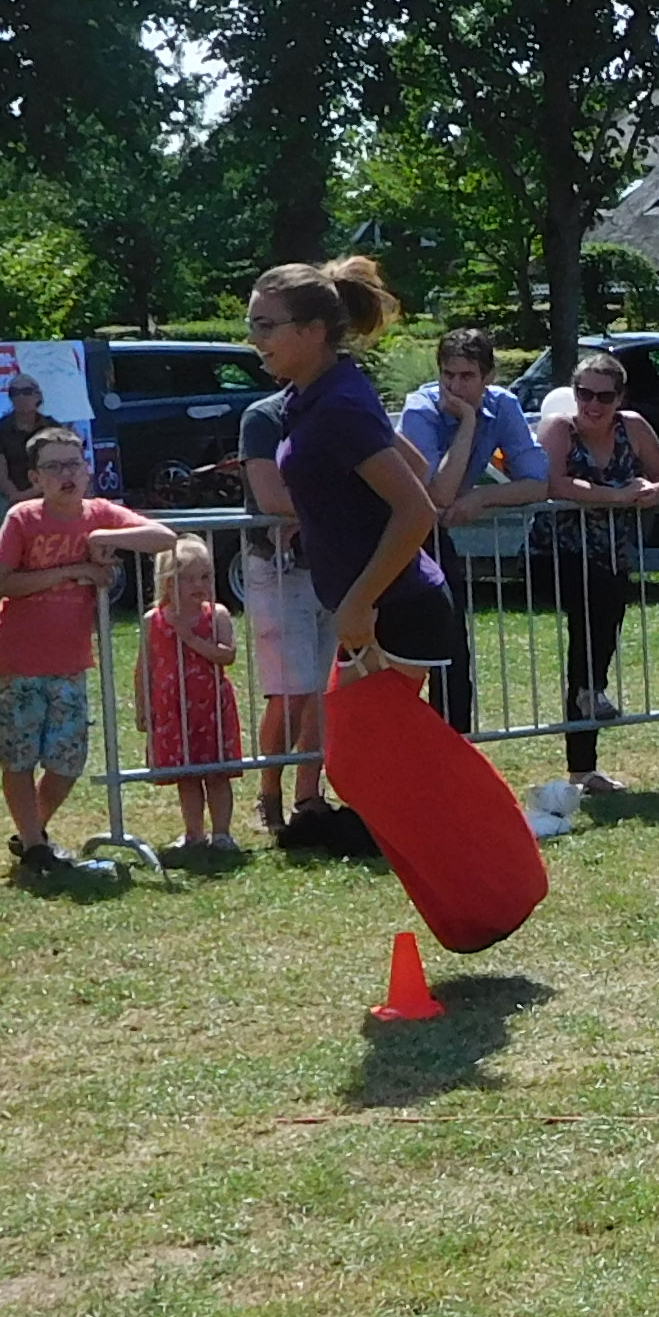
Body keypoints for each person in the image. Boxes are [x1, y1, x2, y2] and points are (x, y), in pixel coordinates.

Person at [246, 253, 461, 719]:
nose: (254, 339)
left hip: (394, 610)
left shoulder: (338, 405)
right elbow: (413, 462)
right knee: (357, 752)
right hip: (371, 610)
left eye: (265, 325)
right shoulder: (312, 396)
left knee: (367, 752)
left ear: (313, 331)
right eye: (252, 324)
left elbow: (417, 511)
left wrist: (359, 603)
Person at [0, 423, 173, 873]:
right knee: (19, 758)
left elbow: (163, 538)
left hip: (70, 661)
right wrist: (74, 571)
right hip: (17, 659)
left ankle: (30, 834)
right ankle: (35, 846)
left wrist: (103, 540)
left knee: (68, 760)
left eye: (74, 464)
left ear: (88, 470)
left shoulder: (99, 513)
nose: (66, 474)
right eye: (54, 467)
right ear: (36, 478)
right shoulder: (23, 517)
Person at [539, 349, 659, 792]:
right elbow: (554, 482)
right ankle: (590, 694)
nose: (593, 405)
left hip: (613, 554)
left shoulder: (633, 427)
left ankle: (583, 764)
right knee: (591, 621)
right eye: (584, 394)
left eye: (604, 396)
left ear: (620, 397)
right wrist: (616, 496)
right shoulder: (559, 428)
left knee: (597, 639)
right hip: (557, 553)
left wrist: (653, 490)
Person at [397, 326, 545, 734]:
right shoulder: (420, 409)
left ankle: (454, 746)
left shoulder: (504, 405)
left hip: (431, 534)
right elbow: (439, 494)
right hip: (392, 532)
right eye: (448, 375)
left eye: (467, 376)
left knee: (453, 649)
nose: (455, 386)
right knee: (399, 655)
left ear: (489, 376)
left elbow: (538, 482)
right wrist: (466, 423)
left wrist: (483, 498)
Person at [236, 385, 334, 842]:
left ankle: (308, 798)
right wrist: (342, 507)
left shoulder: (340, 409)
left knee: (322, 692)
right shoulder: (263, 417)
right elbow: (271, 498)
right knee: (291, 690)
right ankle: (268, 794)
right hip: (278, 569)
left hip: (332, 567)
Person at [136, 532, 247, 863]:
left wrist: (192, 640)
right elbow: (145, 666)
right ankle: (194, 832)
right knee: (186, 775)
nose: (199, 585)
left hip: (210, 708)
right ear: (168, 582)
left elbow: (227, 655)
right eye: (188, 578)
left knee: (217, 772)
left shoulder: (217, 615)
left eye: (205, 576)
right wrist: (143, 706)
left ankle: (222, 832)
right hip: (173, 709)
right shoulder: (154, 620)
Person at [0, 367, 58, 507]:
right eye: (15, 393)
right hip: (9, 495)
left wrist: (35, 492)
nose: (21, 397)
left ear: (38, 396)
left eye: (26, 392)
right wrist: (17, 497)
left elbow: (59, 466)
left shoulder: (52, 427)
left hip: (46, 490)